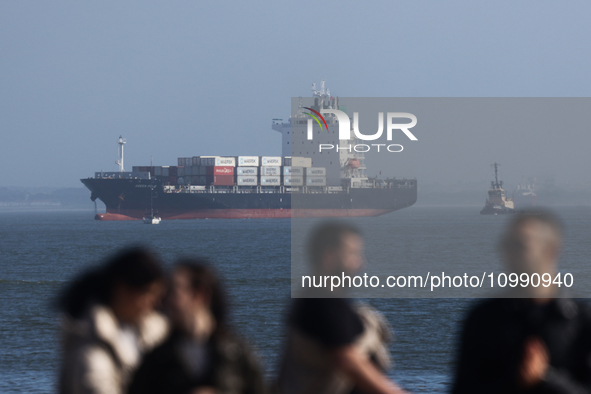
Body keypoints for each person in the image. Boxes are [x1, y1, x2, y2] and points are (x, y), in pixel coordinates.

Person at [452, 210, 591, 394]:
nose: (510, 254)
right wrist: (517, 381)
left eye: (520, 245)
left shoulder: (582, 323)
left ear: (550, 250)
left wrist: (545, 378)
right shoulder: (484, 320)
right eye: (506, 245)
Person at [276, 222, 408, 394]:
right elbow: (348, 360)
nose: (361, 263)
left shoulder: (314, 298)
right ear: (329, 257)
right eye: (353, 254)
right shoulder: (320, 301)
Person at [128, 260, 267, 394]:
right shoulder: (156, 360)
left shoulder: (238, 355)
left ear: (200, 294)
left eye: (173, 291)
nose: (164, 300)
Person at [58, 247, 169, 394]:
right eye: (149, 294)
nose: (155, 303)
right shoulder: (90, 353)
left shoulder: (149, 330)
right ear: (122, 290)